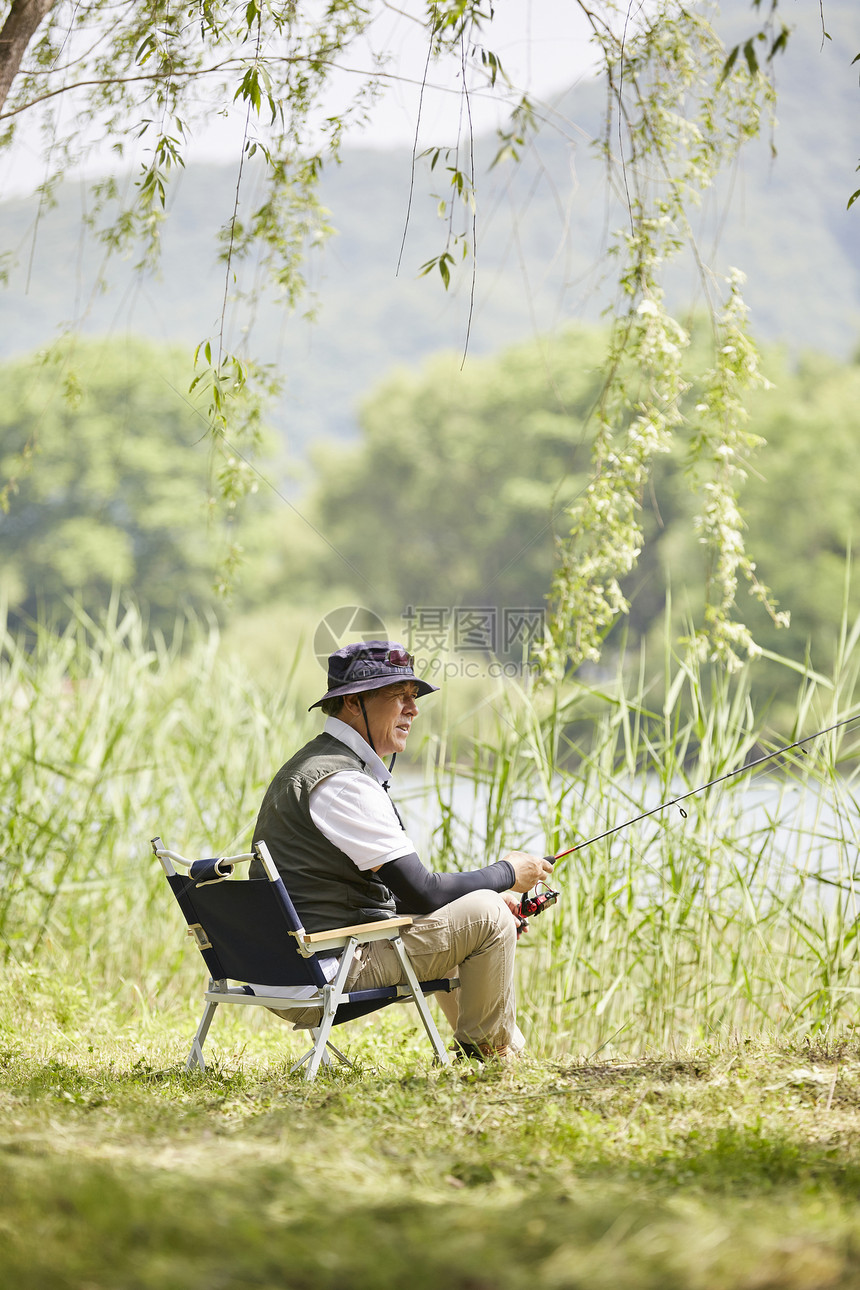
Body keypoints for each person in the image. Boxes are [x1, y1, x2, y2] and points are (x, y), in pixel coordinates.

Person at [251, 640, 553, 1059]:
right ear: (354, 702)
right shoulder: (344, 783)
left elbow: (404, 894)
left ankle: (506, 1050)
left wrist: (487, 896)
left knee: (482, 909)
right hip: (322, 972)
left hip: (288, 967)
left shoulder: (313, 765)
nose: (413, 709)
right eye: (400, 696)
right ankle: (490, 1056)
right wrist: (507, 872)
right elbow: (422, 892)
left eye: (414, 698)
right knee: (486, 914)